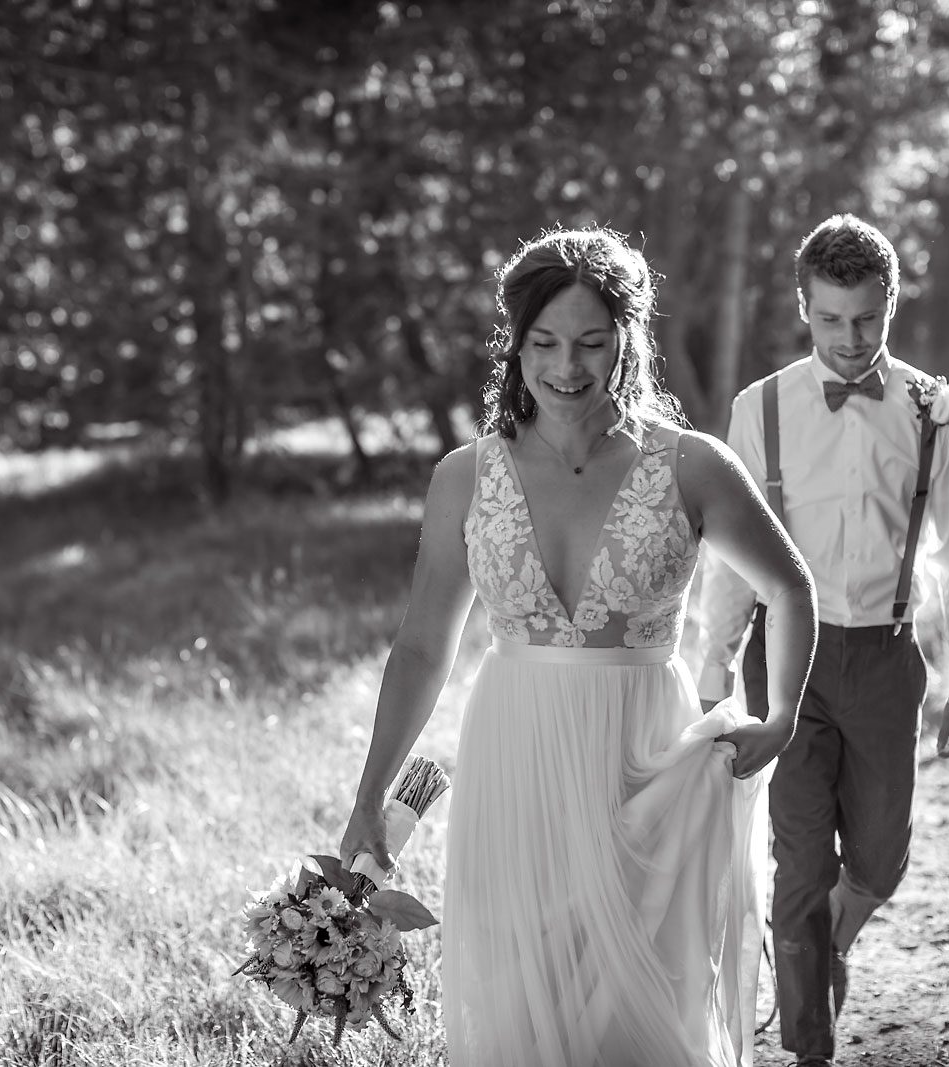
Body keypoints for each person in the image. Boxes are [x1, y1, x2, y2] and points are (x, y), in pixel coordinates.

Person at [338, 226, 819, 1067]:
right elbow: (421, 645)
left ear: (628, 340)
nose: (568, 366)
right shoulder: (465, 475)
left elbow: (791, 587)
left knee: (641, 1001)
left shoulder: (691, 465)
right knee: (525, 984)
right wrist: (371, 792)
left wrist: (780, 718)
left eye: (593, 343)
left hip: (644, 768)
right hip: (514, 761)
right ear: (514, 345)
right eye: (545, 342)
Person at [696, 213, 949, 1067]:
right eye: (829, 318)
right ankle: (807, 1045)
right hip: (785, 657)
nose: (849, 338)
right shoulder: (761, 409)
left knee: (879, 856)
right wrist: (713, 666)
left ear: (890, 306)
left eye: (866, 318)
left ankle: (830, 937)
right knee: (796, 861)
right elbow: (728, 558)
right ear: (803, 307)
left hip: (885, 657)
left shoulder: (934, 412)